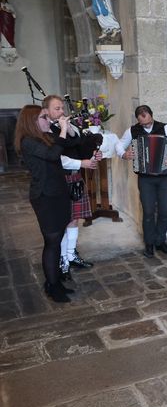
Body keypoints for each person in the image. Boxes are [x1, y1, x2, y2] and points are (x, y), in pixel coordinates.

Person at [14, 105, 78, 302]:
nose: (47, 118)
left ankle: (56, 280)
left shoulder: (44, 136)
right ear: (31, 121)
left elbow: (69, 145)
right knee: (51, 242)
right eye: (43, 117)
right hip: (45, 197)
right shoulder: (27, 142)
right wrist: (63, 131)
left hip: (58, 193)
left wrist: (64, 128)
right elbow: (52, 155)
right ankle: (52, 285)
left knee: (57, 239)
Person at [41, 95, 97, 281]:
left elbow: (77, 143)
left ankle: (71, 254)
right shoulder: (45, 130)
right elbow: (58, 158)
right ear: (46, 111)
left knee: (74, 219)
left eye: (62, 108)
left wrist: (93, 153)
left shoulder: (64, 126)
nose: (61, 111)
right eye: (57, 108)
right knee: (63, 222)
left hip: (75, 177)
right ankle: (62, 259)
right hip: (60, 179)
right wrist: (82, 163)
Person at [116, 105, 167, 258]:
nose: (146, 125)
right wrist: (124, 154)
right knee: (148, 212)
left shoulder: (165, 127)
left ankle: (160, 241)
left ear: (152, 116)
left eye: (148, 122)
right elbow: (119, 145)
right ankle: (149, 243)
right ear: (138, 120)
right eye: (143, 123)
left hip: (164, 177)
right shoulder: (132, 131)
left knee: (165, 211)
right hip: (145, 178)